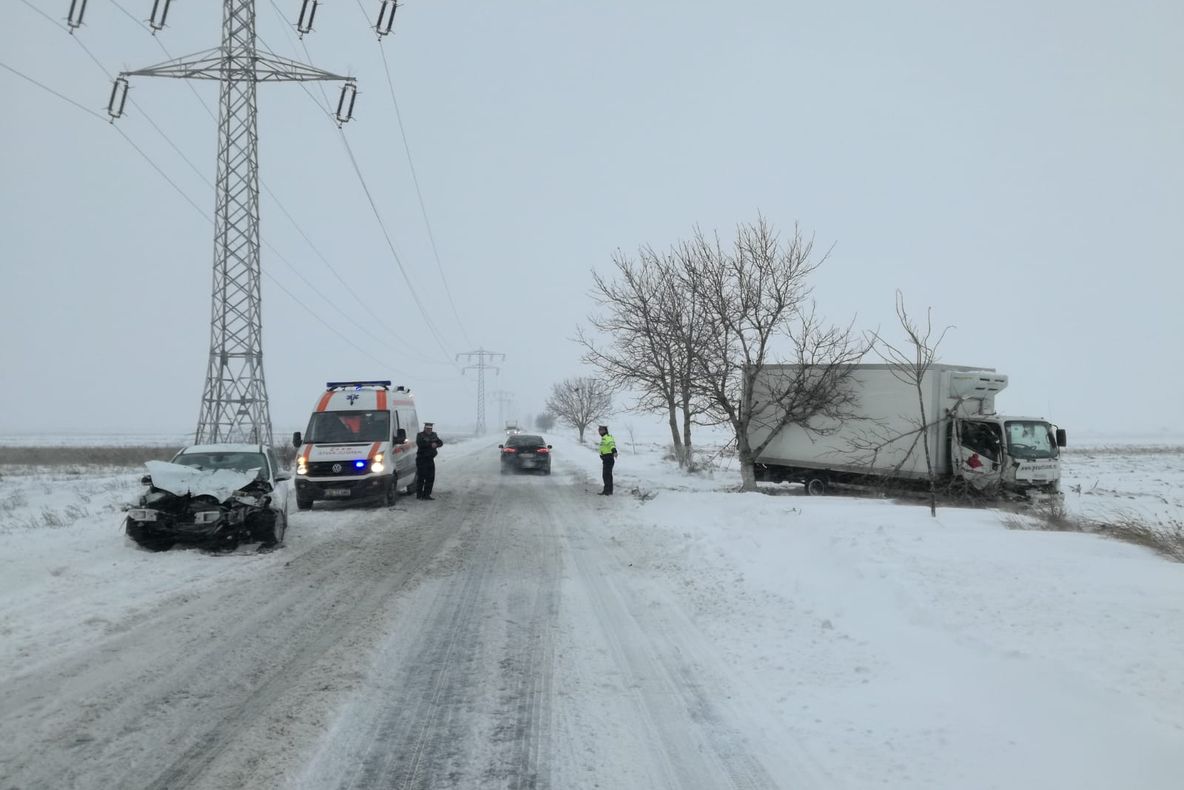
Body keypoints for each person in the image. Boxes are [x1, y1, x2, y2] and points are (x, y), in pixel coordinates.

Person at [415, 422, 444, 500]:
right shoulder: (420, 435)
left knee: (430, 477)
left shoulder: (434, 435)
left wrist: (436, 444)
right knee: (421, 477)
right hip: (421, 459)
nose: (429, 430)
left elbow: (440, 442)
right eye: (427, 428)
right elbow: (420, 444)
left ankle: (427, 494)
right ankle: (419, 494)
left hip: (430, 459)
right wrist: (430, 444)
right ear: (424, 428)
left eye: (430, 429)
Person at [597, 425, 617, 495]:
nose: (599, 431)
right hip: (606, 459)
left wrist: (614, 451)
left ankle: (607, 491)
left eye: (601, 430)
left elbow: (612, 444)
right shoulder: (604, 438)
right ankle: (609, 491)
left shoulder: (607, 437)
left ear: (605, 430)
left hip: (608, 458)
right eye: (599, 430)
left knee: (606, 475)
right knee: (607, 475)